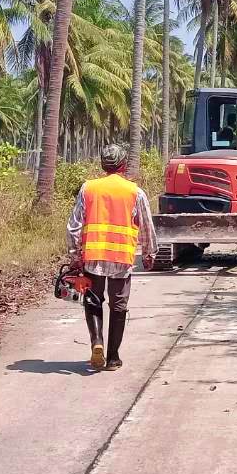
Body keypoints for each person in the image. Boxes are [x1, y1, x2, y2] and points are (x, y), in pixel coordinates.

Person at [66, 143, 158, 371]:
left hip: (93, 256)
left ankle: (97, 342)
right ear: (124, 165)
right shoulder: (135, 192)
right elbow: (147, 225)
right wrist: (149, 252)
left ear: (102, 165)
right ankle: (113, 357)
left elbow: (73, 227)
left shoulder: (88, 188)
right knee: (118, 305)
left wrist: (75, 256)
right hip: (121, 258)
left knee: (93, 300)